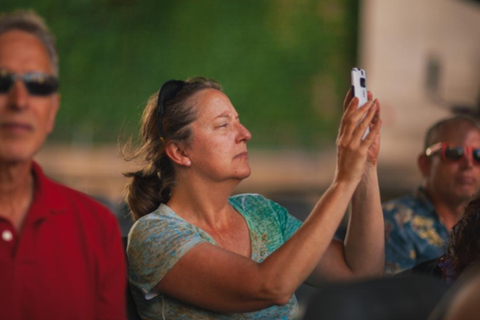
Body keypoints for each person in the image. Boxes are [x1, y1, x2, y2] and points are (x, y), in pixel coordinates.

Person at [124, 76, 384, 319]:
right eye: (224, 125)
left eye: (238, 121)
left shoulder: (262, 212)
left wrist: (365, 169)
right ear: (180, 151)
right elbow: (269, 287)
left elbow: (360, 273)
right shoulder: (153, 236)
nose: (245, 134)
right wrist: (343, 181)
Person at [0, 10, 126, 319]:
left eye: (39, 84)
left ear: (53, 109)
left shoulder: (97, 228)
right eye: (2, 81)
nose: (20, 100)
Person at [383, 116, 480, 275]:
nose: (468, 164)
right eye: (454, 152)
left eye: (477, 154)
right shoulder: (394, 221)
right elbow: (397, 295)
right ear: (425, 164)